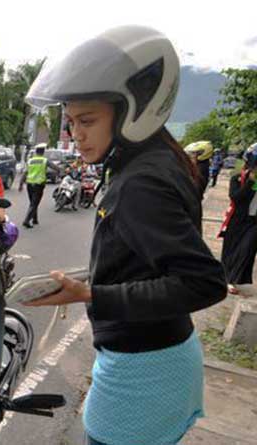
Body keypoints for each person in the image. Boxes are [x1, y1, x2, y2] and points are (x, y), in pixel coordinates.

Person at [23, 25, 227, 445]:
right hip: (153, 353)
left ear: (133, 111)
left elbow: (204, 283)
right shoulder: (149, 161)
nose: (74, 134)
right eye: (70, 121)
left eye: (87, 120)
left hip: (145, 368)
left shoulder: (141, 183)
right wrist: (90, 282)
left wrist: (91, 295)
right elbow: (146, 255)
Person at [219, 143, 257, 295]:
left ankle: (234, 278)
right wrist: (250, 182)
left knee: (247, 249)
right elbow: (235, 197)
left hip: (254, 222)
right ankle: (227, 278)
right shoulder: (238, 179)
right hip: (237, 220)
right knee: (231, 248)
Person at [21, 143, 58, 228]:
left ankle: (35, 219)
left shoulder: (30, 160)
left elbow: (25, 172)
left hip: (29, 184)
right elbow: (55, 167)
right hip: (39, 185)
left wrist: (21, 183)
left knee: (33, 203)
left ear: (36, 152)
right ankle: (26, 220)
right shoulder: (44, 160)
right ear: (43, 152)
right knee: (34, 203)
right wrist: (59, 171)